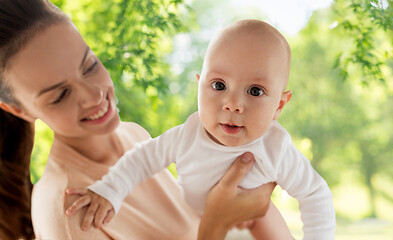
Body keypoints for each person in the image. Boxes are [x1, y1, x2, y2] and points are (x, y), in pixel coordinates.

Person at [0, 0, 277, 239]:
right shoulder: (69, 211)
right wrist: (220, 221)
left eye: (90, 65)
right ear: (19, 110)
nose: (94, 95)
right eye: (61, 95)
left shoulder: (133, 135)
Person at [67, 19, 336, 239]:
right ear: (199, 86)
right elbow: (141, 159)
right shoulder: (187, 135)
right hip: (191, 226)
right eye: (219, 85)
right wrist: (109, 191)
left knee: (266, 219)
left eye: (255, 91)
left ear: (279, 105)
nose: (233, 104)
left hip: (252, 227)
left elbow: (314, 193)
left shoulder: (275, 147)